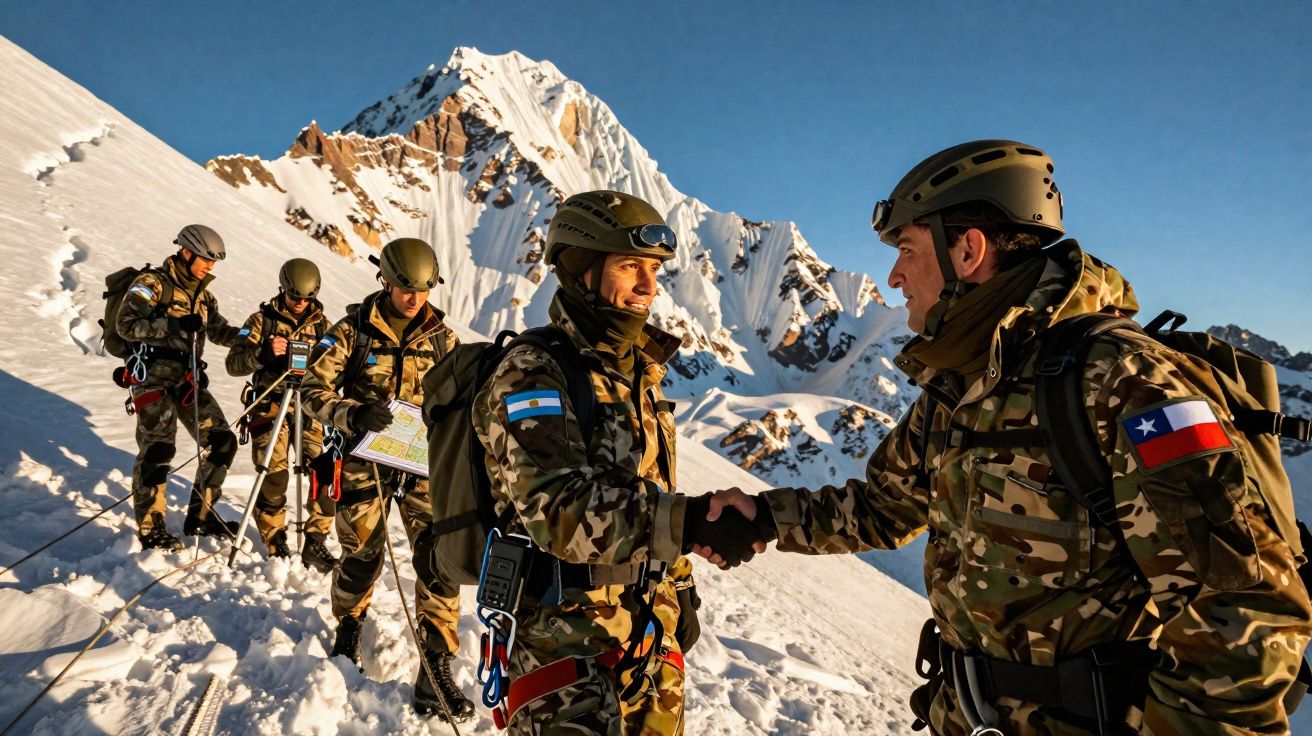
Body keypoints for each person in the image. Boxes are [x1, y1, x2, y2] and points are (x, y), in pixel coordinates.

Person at [702, 140, 1312, 734]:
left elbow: (1246, 611)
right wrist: (762, 516)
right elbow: (882, 509)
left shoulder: (1123, 380)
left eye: (907, 250)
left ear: (967, 250)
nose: (892, 277)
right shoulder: (962, 385)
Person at [473, 190, 761, 735]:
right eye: (631, 267)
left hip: (650, 636)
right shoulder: (533, 372)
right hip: (563, 646)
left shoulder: (638, 376)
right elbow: (557, 511)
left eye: (653, 270)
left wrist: (679, 586)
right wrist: (690, 522)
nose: (650, 287)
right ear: (581, 268)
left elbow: (651, 489)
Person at [298, 237, 473, 720]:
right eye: (403, 288)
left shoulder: (442, 339)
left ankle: (435, 668)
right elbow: (310, 390)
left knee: (441, 560)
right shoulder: (351, 331)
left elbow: (461, 402)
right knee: (362, 553)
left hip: (421, 466)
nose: (413, 299)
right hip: (363, 461)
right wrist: (349, 413)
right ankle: (349, 626)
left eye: (422, 289)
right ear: (385, 281)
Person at [116, 224, 244, 551]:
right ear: (185, 252)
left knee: (222, 441)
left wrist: (256, 340)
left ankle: (201, 515)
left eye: (213, 263)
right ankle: (151, 526)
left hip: (188, 380)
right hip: (151, 379)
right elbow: (126, 325)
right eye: (204, 259)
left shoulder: (203, 294)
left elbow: (219, 331)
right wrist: (172, 324)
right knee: (158, 450)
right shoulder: (152, 284)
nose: (209, 267)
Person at [225, 258, 338, 568]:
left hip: (308, 408)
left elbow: (335, 370)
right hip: (269, 403)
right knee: (274, 476)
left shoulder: (324, 327)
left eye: (306, 298)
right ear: (283, 289)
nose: (300, 303)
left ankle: (315, 540)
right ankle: (275, 541)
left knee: (322, 472)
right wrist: (262, 354)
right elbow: (233, 364)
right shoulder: (261, 320)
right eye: (294, 296)